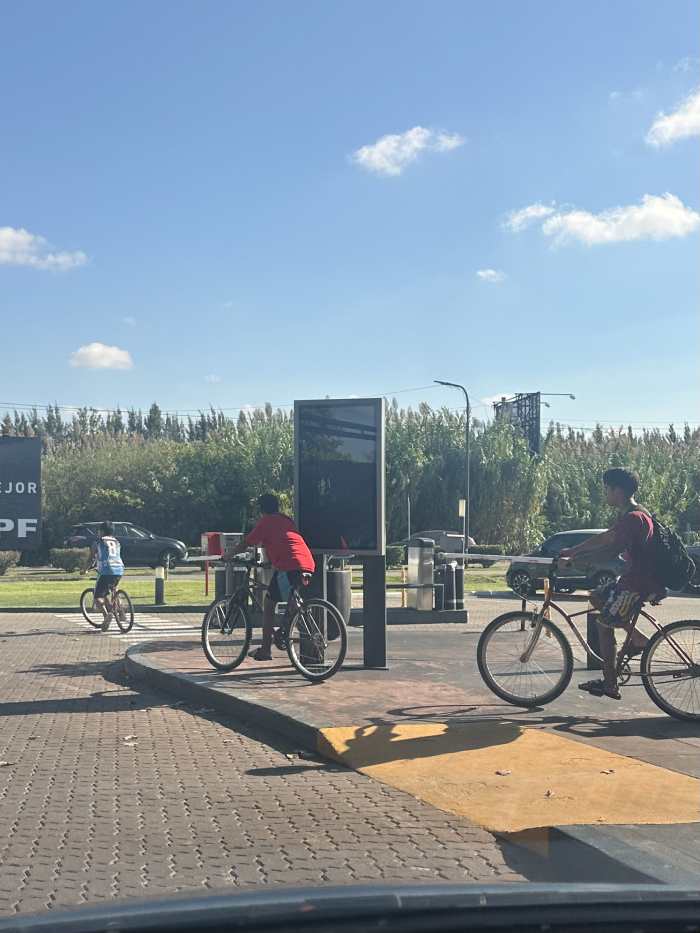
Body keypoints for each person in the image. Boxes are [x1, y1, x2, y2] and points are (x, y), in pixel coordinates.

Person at [559, 467, 663, 700]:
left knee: (604, 625)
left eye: (606, 489)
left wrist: (575, 559)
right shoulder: (634, 514)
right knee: (597, 596)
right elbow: (607, 537)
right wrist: (574, 552)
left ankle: (609, 683)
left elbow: (610, 548)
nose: (605, 493)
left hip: (637, 585)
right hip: (633, 581)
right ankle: (636, 637)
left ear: (618, 490)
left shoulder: (633, 519)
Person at [227, 494, 316, 661]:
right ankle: (290, 627)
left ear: (262, 509)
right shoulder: (286, 520)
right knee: (291, 600)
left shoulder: (265, 522)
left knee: (268, 605)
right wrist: (270, 562)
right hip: (306, 562)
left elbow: (246, 543)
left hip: (289, 565)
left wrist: (228, 554)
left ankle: (266, 649)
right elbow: (283, 543)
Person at [91, 521, 125, 632]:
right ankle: (120, 610)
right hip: (119, 569)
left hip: (106, 570)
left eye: (99, 531)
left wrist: (85, 568)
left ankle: (106, 616)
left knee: (97, 597)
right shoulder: (117, 541)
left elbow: (92, 557)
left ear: (102, 531)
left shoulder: (99, 541)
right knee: (112, 589)